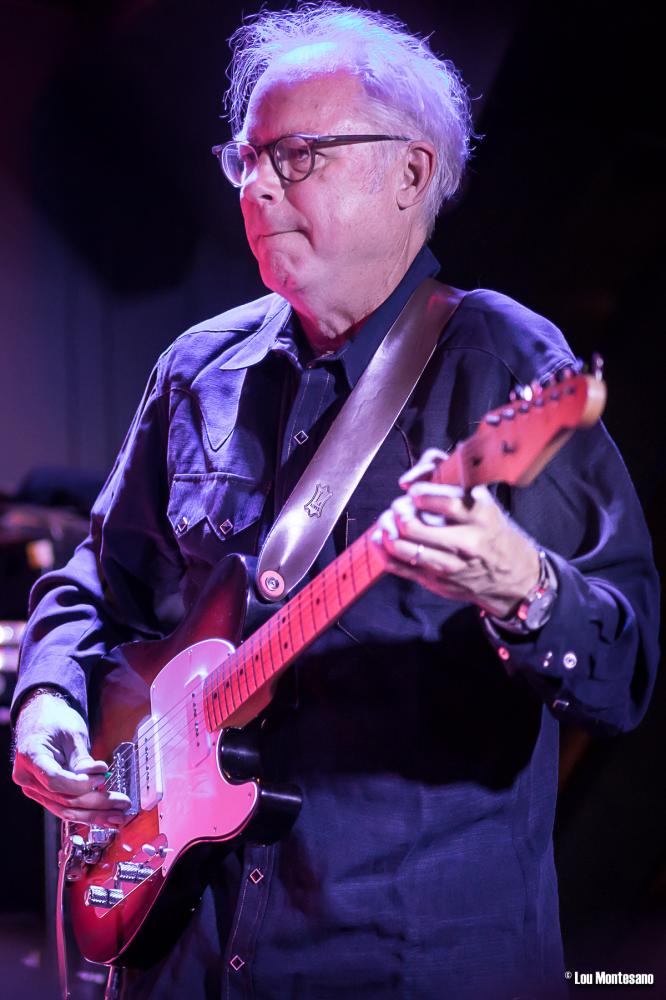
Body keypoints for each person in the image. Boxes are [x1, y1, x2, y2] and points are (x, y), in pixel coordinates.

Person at [11, 5, 659, 999]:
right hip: (181, 954)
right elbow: (98, 578)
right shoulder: (197, 368)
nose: (259, 184)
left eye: (298, 154)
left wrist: (524, 585)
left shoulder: (506, 366)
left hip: (405, 959)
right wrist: (49, 693)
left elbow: (627, 668)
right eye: (247, 157)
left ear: (409, 174)